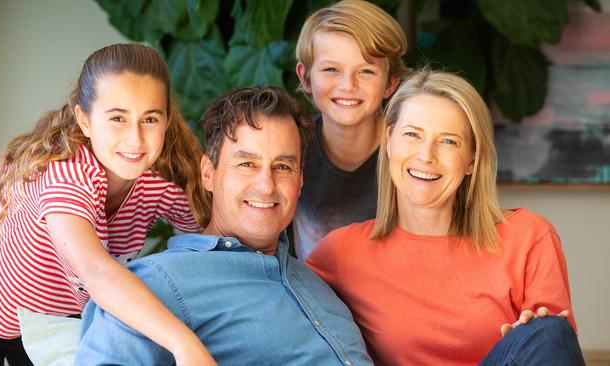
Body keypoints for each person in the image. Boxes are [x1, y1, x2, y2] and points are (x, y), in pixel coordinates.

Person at [76, 87, 374, 366]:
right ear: (208, 173)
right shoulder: (153, 286)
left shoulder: (316, 282)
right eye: (247, 164)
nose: (266, 185)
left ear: (299, 182)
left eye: (283, 166)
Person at [306, 70, 585, 365]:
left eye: (449, 141)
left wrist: (532, 335)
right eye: (412, 134)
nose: (426, 155)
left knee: (549, 331)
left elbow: (553, 349)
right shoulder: (341, 252)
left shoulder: (529, 236)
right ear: (389, 140)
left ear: (471, 161)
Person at [0, 44, 216, 365]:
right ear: (85, 120)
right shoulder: (67, 173)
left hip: (45, 322)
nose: (135, 139)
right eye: (117, 118)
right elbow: (96, 272)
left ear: (166, 120)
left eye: (149, 119)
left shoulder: (158, 182)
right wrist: (184, 344)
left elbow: (211, 237)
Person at [292, 0, 408, 259]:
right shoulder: (291, 149)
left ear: (390, 83)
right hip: (311, 297)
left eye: (366, 71)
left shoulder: (411, 154)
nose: (347, 85)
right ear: (306, 77)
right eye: (331, 69)